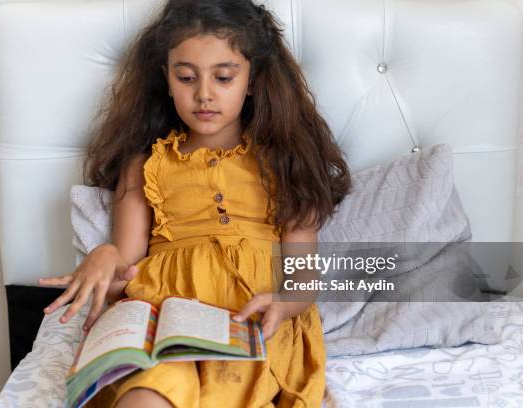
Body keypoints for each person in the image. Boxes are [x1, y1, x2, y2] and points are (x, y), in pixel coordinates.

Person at [39, 0, 351, 406]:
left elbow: (303, 274)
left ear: (252, 80)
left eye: (223, 78)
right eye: (186, 77)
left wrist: (286, 301)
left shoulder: (284, 161)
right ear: (167, 80)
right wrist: (103, 257)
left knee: (229, 385)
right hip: (165, 319)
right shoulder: (146, 164)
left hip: (253, 322)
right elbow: (126, 269)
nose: (204, 94)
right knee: (147, 392)